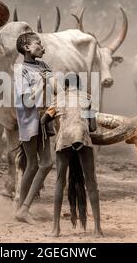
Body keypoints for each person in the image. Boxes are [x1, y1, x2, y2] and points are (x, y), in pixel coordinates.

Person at [41, 73, 103, 237]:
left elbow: (43, 120)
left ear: (65, 86)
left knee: (60, 182)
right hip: (82, 136)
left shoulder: (58, 99)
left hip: (64, 138)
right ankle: (97, 229)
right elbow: (93, 127)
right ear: (79, 85)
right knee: (91, 183)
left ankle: (56, 229)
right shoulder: (87, 99)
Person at [14, 32, 54, 224]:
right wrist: (44, 83)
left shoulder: (44, 66)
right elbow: (27, 101)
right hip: (29, 120)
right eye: (37, 43)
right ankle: (23, 208)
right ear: (26, 47)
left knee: (42, 164)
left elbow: (55, 88)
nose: (41, 46)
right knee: (35, 164)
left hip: (45, 119)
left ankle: (22, 208)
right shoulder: (20, 70)